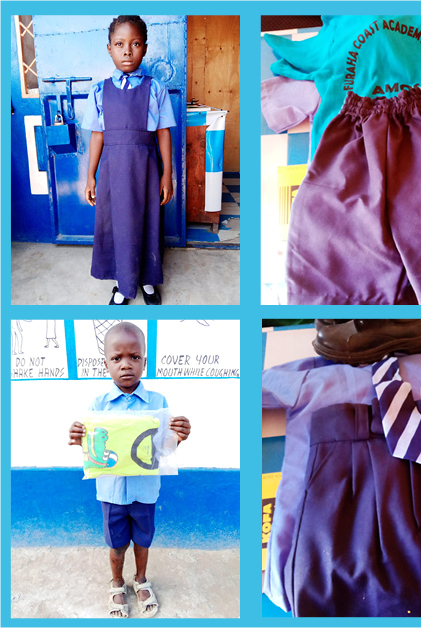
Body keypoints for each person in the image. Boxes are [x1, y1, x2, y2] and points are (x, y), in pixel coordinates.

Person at [68, 322, 191, 617]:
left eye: (134, 357)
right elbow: (93, 447)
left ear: (145, 362)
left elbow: (163, 449)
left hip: (145, 491)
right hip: (111, 493)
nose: (126, 365)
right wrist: (77, 437)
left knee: (143, 541)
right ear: (106, 364)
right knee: (116, 544)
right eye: (117, 358)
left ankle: (141, 580)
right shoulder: (98, 405)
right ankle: (116, 583)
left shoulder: (158, 403)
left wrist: (180, 435)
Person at [82, 16, 176, 305]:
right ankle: (123, 286)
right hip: (112, 170)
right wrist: (91, 176)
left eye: (135, 44)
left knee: (148, 222)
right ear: (109, 48)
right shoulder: (99, 91)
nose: (127, 51)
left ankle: (148, 281)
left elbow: (162, 134)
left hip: (145, 169)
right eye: (120, 44)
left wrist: (167, 175)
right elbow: (97, 136)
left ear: (144, 48)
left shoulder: (155, 89)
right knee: (117, 226)